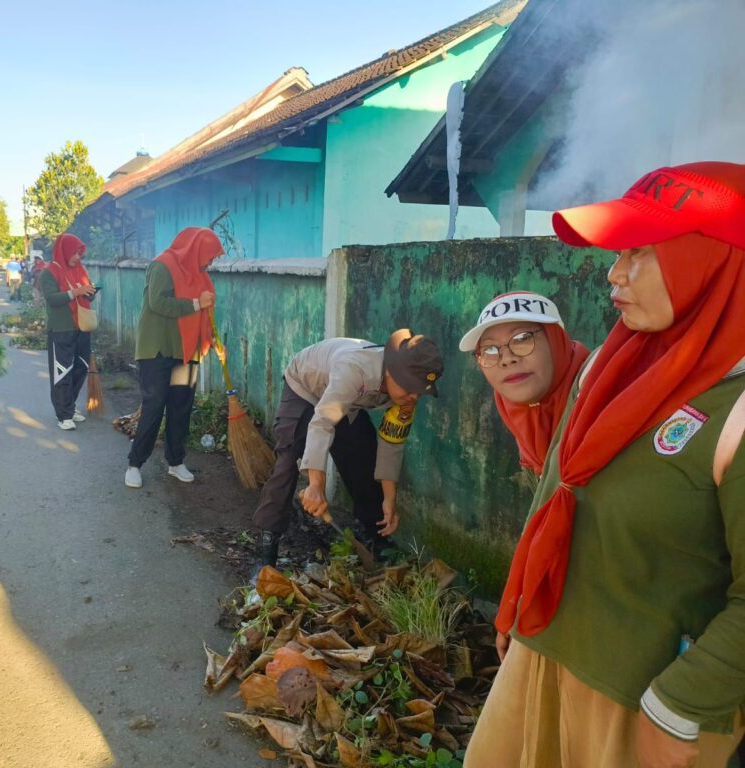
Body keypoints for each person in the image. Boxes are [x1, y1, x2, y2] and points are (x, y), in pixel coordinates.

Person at [465, 162, 745, 768]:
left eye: (639, 253)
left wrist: (681, 706)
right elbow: (553, 493)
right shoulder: (608, 369)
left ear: (712, 259)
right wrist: (517, 605)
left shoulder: (736, 413)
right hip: (544, 656)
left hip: (640, 709)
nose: (613, 274)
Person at [250, 331, 444, 574]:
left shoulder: (406, 395)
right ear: (391, 371)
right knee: (289, 459)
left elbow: (392, 443)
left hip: (348, 401)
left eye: (420, 391)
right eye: (410, 388)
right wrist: (315, 485)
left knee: (363, 454)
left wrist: (389, 500)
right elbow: (322, 423)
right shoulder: (354, 370)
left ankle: (376, 538)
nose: (414, 397)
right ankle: (266, 549)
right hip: (305, 387)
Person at [125, 227, 221, 489]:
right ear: (196, 250)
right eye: (210, 256)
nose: (211, 262)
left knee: (181, 407)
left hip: (187, 350)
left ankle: (175, 462)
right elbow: (158, 303)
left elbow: (206, 309)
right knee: (155, 405)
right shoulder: (162, 266)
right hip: (157, 348)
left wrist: (210, 337)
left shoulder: (199, 274)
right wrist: (194, 304)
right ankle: (135, 463)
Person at [459, 291, 589, 477]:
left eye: (522, 339)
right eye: (489, 349)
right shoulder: (519, 412)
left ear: (556, 340)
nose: (507, 359)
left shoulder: (598, 394)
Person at [40, 233, 96, 430]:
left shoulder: (80, 269)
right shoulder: (49, 272)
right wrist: (76, 293)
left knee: (80, 367)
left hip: (82, 326)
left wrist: (90, 292)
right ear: (64, 251)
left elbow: (86, 295)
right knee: (62, 371)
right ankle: (63, 414)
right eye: (74, 253)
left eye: (80, 253)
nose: (77, 257)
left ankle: (70, 407)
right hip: (62, 328)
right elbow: (52, 299)